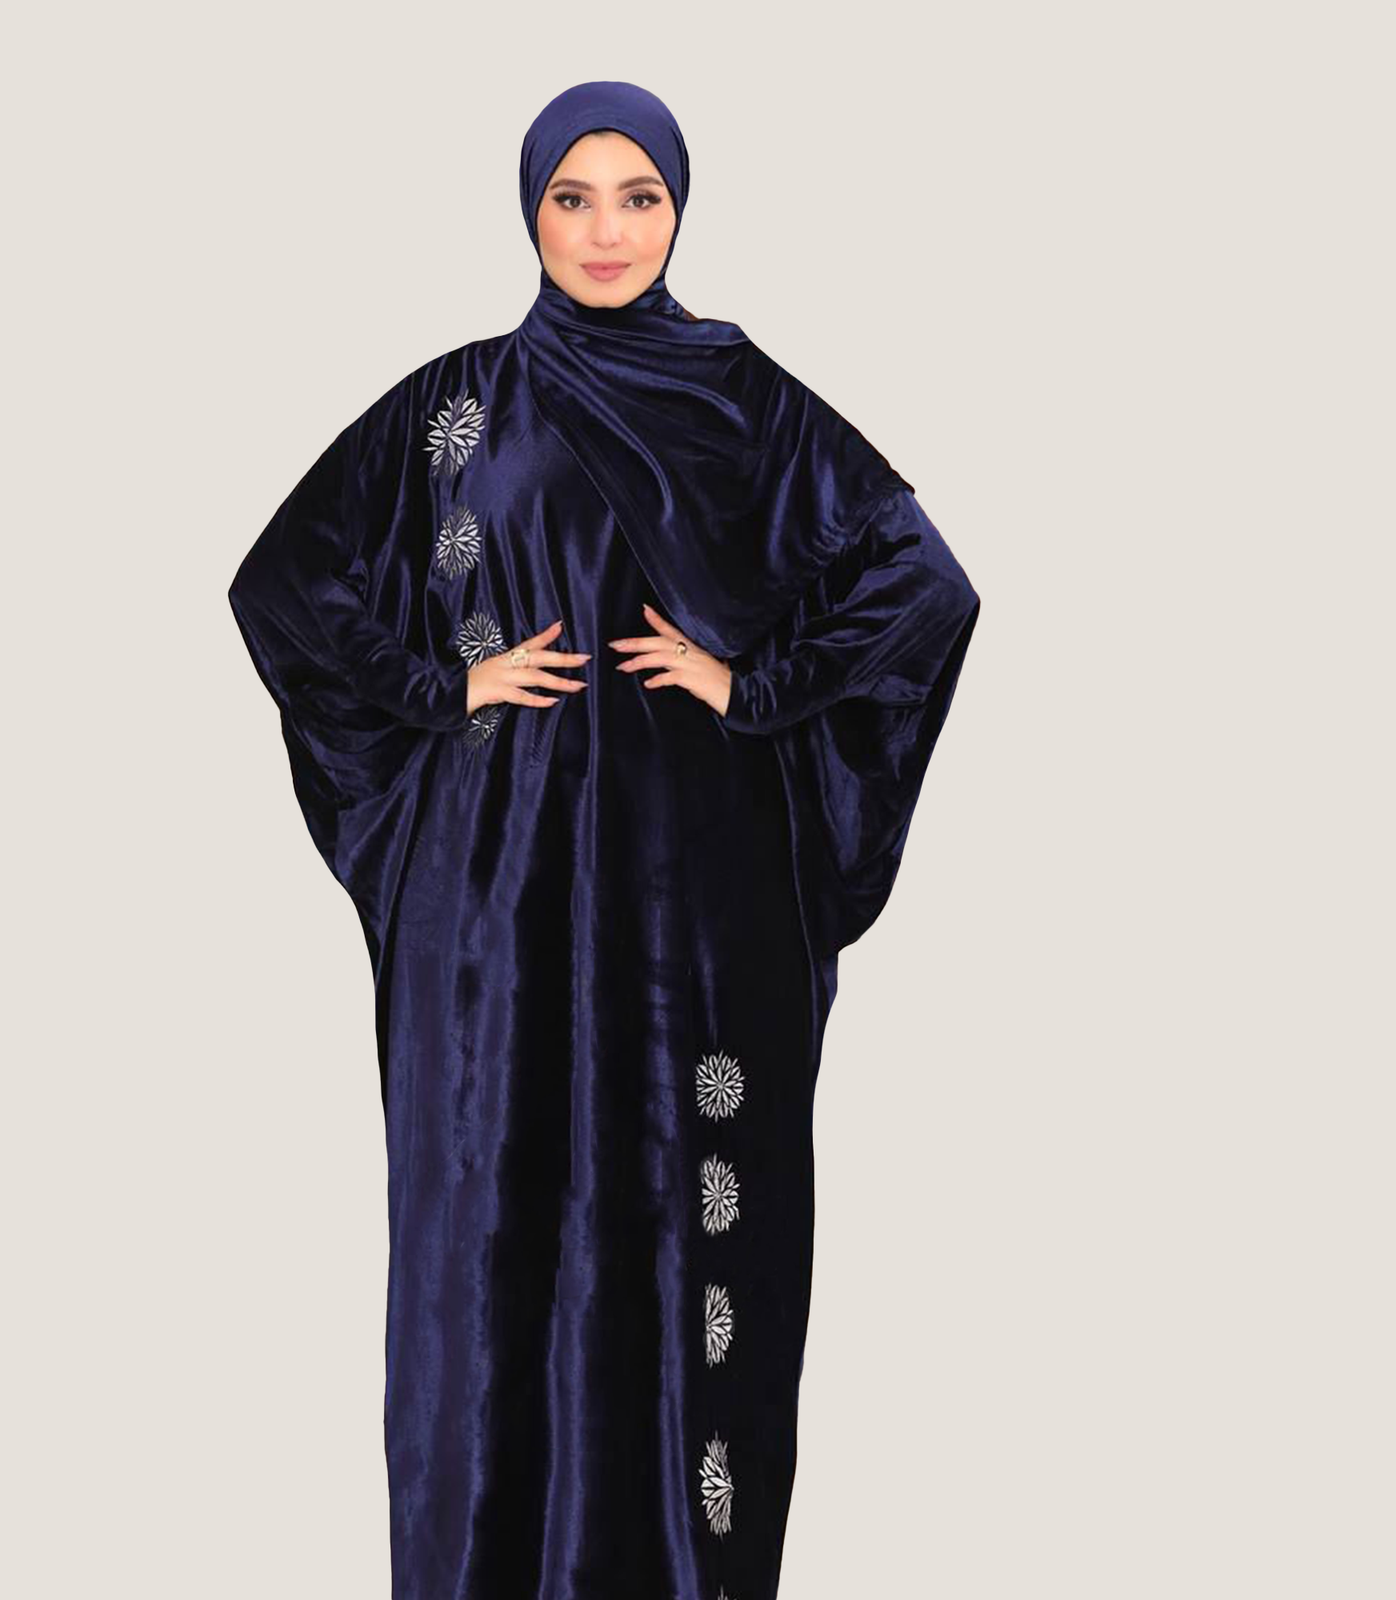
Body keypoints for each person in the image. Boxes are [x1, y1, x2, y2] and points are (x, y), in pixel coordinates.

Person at [228, 79, 979, 1600]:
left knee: (683, 1232)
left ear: (680, 209)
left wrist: (752, 684)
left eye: (640, 196)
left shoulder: (745, 403)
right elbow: (284, 585)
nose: (607, 230)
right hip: (491, 909)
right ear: (530, 212)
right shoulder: (455, 411)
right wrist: (438, 687)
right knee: (484, 1239)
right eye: (573, 197)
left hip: (690, 914)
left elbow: (924, 585)